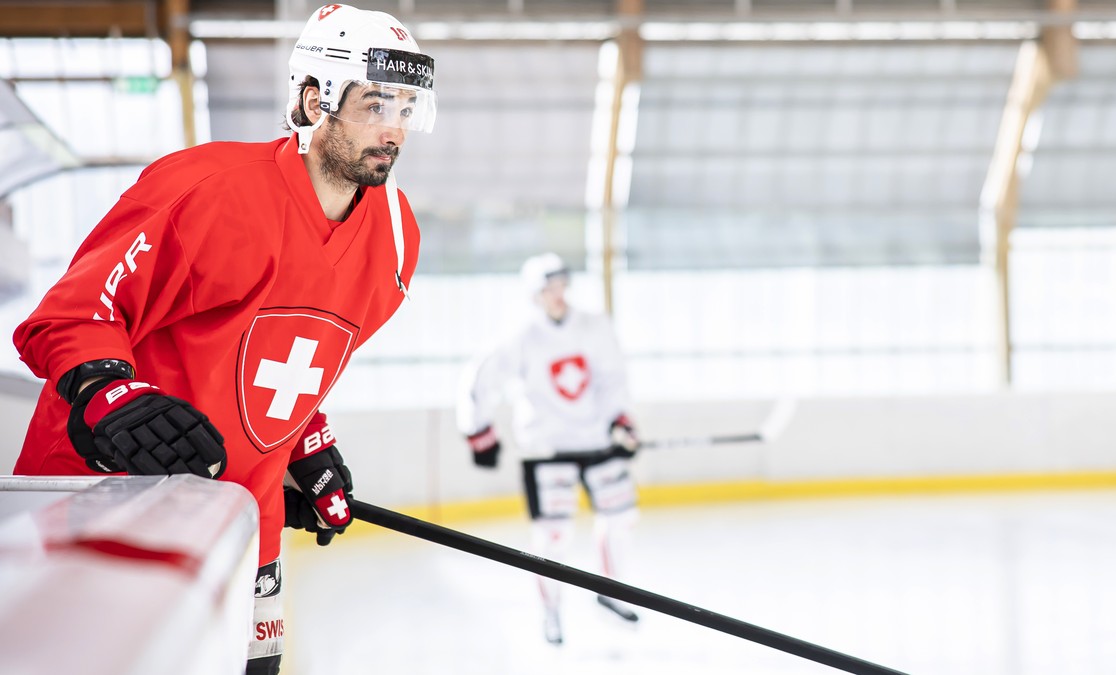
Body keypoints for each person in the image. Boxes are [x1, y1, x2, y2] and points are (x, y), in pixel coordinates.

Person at [9, 4, 434, 674]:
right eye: (376, 104)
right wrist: (108, 393)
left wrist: (306, 444)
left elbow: (286, 357)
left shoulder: (398, 239)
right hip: (110, 506)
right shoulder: (206, 190)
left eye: (408, 108)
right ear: (315, 96)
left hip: (243, 521)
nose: (395, 129)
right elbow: (68, 315)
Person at [457, 252, 642, 645]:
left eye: (562, 286)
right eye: (548, 289)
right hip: (547, 447)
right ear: (534, 294)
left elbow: (613, 378)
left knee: (621, 517)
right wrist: (478, 429)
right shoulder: (521, 335)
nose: (558, 295)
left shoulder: (594, 326)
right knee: (553, 536)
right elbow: (483, 378)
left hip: (597, 440)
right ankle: (552, 612)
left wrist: (620, 418)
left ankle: (611, 593)